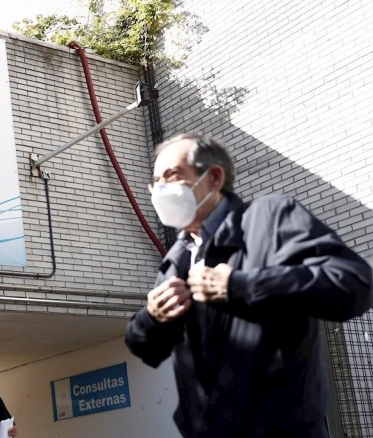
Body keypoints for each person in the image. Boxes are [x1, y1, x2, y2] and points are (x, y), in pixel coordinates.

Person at [125, 133, 372, 438]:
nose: (160, 189)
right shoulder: (177, 258)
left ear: (214, 178)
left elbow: (355, 285)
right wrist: (152, 318)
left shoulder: (270, 218)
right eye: (155, 182)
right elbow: (145, 348)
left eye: (172, 176)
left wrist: (241, 285)